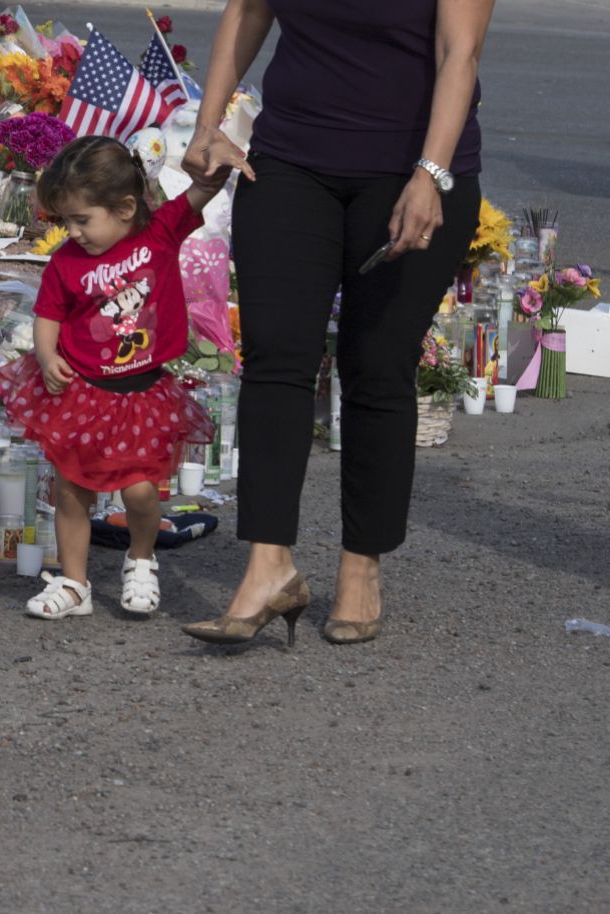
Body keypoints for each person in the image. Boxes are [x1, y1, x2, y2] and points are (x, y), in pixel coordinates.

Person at [181, 0, 494, 646]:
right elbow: (247, 11)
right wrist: (209, 124)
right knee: (275, 356)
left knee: (376, 366)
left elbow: (457, 53)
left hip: (413, 173)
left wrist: (430, 176)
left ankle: (361, 566)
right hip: (290, 159)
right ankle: (268, 566)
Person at [0, 136, 221, 620]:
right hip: (82, 392)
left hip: (141, 393)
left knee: (140, 489)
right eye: (66, 221)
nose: (73, 232)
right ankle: (75, 583)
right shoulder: (66, 262)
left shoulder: (158, 234)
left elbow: (202, 191)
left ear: (124, 208)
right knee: (72, 489)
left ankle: (141, 558)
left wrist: (221, 159)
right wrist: (47, 353)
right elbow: (48, 313)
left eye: (82, 220)